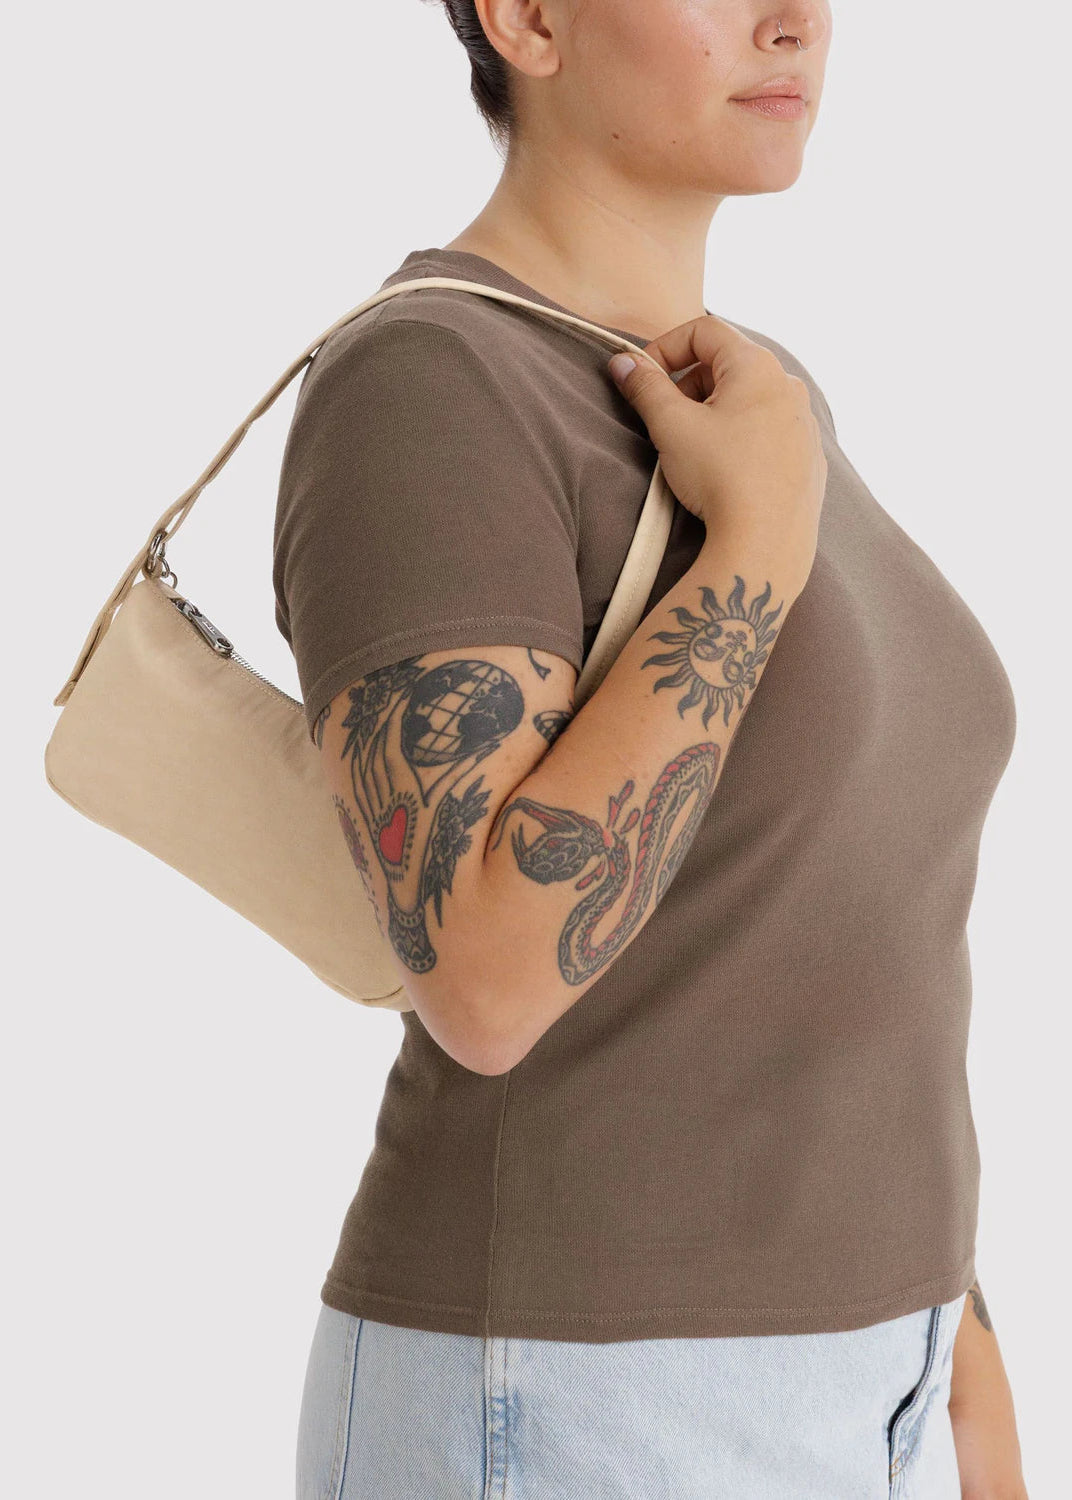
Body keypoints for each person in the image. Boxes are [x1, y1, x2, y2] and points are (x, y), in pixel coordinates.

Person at [273, 2, 1028, 1496]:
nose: (795, 20)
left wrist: (961, 1344)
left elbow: (827, 929)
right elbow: (485, 983)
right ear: (529, 18)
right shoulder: (430, 383)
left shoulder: (748, 399)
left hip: (875, 1366)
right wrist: (750, 549)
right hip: (575, 1392)